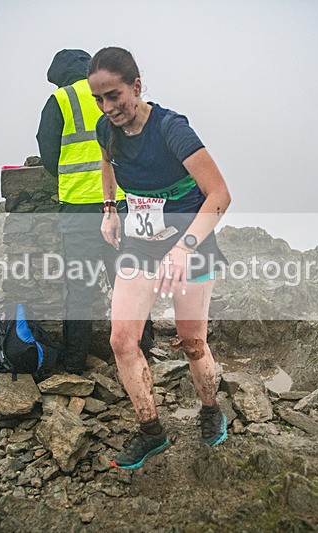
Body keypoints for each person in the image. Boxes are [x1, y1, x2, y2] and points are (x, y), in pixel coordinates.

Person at [88, 47, 232, 469]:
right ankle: (152, 431)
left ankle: (210, 410)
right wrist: (110, 210)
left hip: (191, 242)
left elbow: (220, 195)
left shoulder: (172, 130)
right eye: (99, 99)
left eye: (114, 96)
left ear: (136, 86)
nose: (108, 107)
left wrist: (183, 248)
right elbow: (107, 162)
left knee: (192, 341)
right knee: (121, 340)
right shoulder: (105, 127)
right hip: (140, 243)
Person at [37, 49, 154, 375]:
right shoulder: (109, 95)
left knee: (80, 286)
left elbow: (48, 153)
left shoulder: (60, 100)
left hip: (78, 209)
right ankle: (145, 348)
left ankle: (74, 362)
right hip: (121, 204)